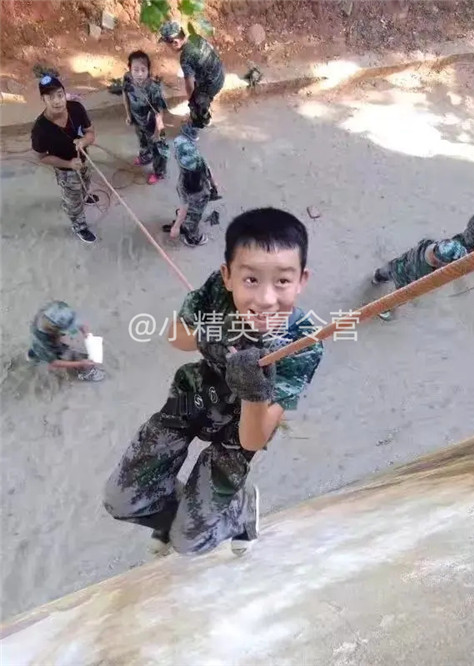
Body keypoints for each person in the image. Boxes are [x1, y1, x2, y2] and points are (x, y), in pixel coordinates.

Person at [104, 208, 323, 557]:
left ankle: (241, 510)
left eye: (282, 281)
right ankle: (178, 513)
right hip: (196, 393)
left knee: (189, 543)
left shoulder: (303, 343)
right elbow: (176, 337)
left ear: (301, 280)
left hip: (241, 426)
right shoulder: (218, 291)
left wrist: (254, 393)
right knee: (122, 500)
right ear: (228, 276)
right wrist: (209, 331)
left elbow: (254, 438)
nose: (266, 299)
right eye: (250, 280)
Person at [31, 74, 98, 244]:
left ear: (64, 93)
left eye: (60, 95)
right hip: (65, 170)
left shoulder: (76, 108)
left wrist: (84, 141)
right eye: (50, 97)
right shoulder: (40, 129)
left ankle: (84, 196)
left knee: (85, 182)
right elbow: (41, 157)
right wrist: (68, 164)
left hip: (83, 159)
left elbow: (90, 132)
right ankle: (79, 225)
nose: (57, 101)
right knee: (72, 200)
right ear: (43, 99)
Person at [372, 238, 467, 320]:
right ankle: (384, 309)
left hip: (399, 263)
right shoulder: (424, 272)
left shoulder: (428, 243)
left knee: (386, 271)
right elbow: (416, 285)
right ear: (439, 262)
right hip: (403, 279)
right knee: (400, 297)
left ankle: (376, 279)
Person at [159, 21, 225, 134]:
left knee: (195, 102)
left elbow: (189, 85)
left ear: (175, 43)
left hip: (212, 84)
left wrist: (192, 102)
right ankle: (204, 105)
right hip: (220, 73)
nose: (168, 48)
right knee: (198, 91)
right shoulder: (195, 37)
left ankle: (202, 121)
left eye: (167, 45)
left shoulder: (185, 57)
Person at [122, 50, 170, 185]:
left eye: (143, 70)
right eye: (135, 70)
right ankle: (145, 156)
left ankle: (159, 172)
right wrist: (128, 114)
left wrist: (157, 132)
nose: (139, 74)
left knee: (159, 148)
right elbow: (125, 94)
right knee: (142, 139)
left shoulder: (153, 88)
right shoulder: (127, 78)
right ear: (130, 69)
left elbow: (159, 112)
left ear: (148, 70)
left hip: (153, 124)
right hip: (138, 119)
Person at [26, 301, 105, 382]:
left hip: (51, 333)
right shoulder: (42, 338)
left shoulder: (62, 312)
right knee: (43, 354)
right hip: (43, 343)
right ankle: (34, 357)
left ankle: (57, 351)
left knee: (59, 347)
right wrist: (80, 364)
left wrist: (88, 336)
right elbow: (54, 362)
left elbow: (79, 324)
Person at [161, 132, 216, 247]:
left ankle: (192, 238)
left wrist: (176, 227)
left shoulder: (183, 185)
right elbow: (209, 172)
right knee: (191, 215)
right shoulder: (199, 160)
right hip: (205, 193)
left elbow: (184, 208)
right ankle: (186, 222)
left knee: (192, 220)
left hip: (196, 201)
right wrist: (214, 185)